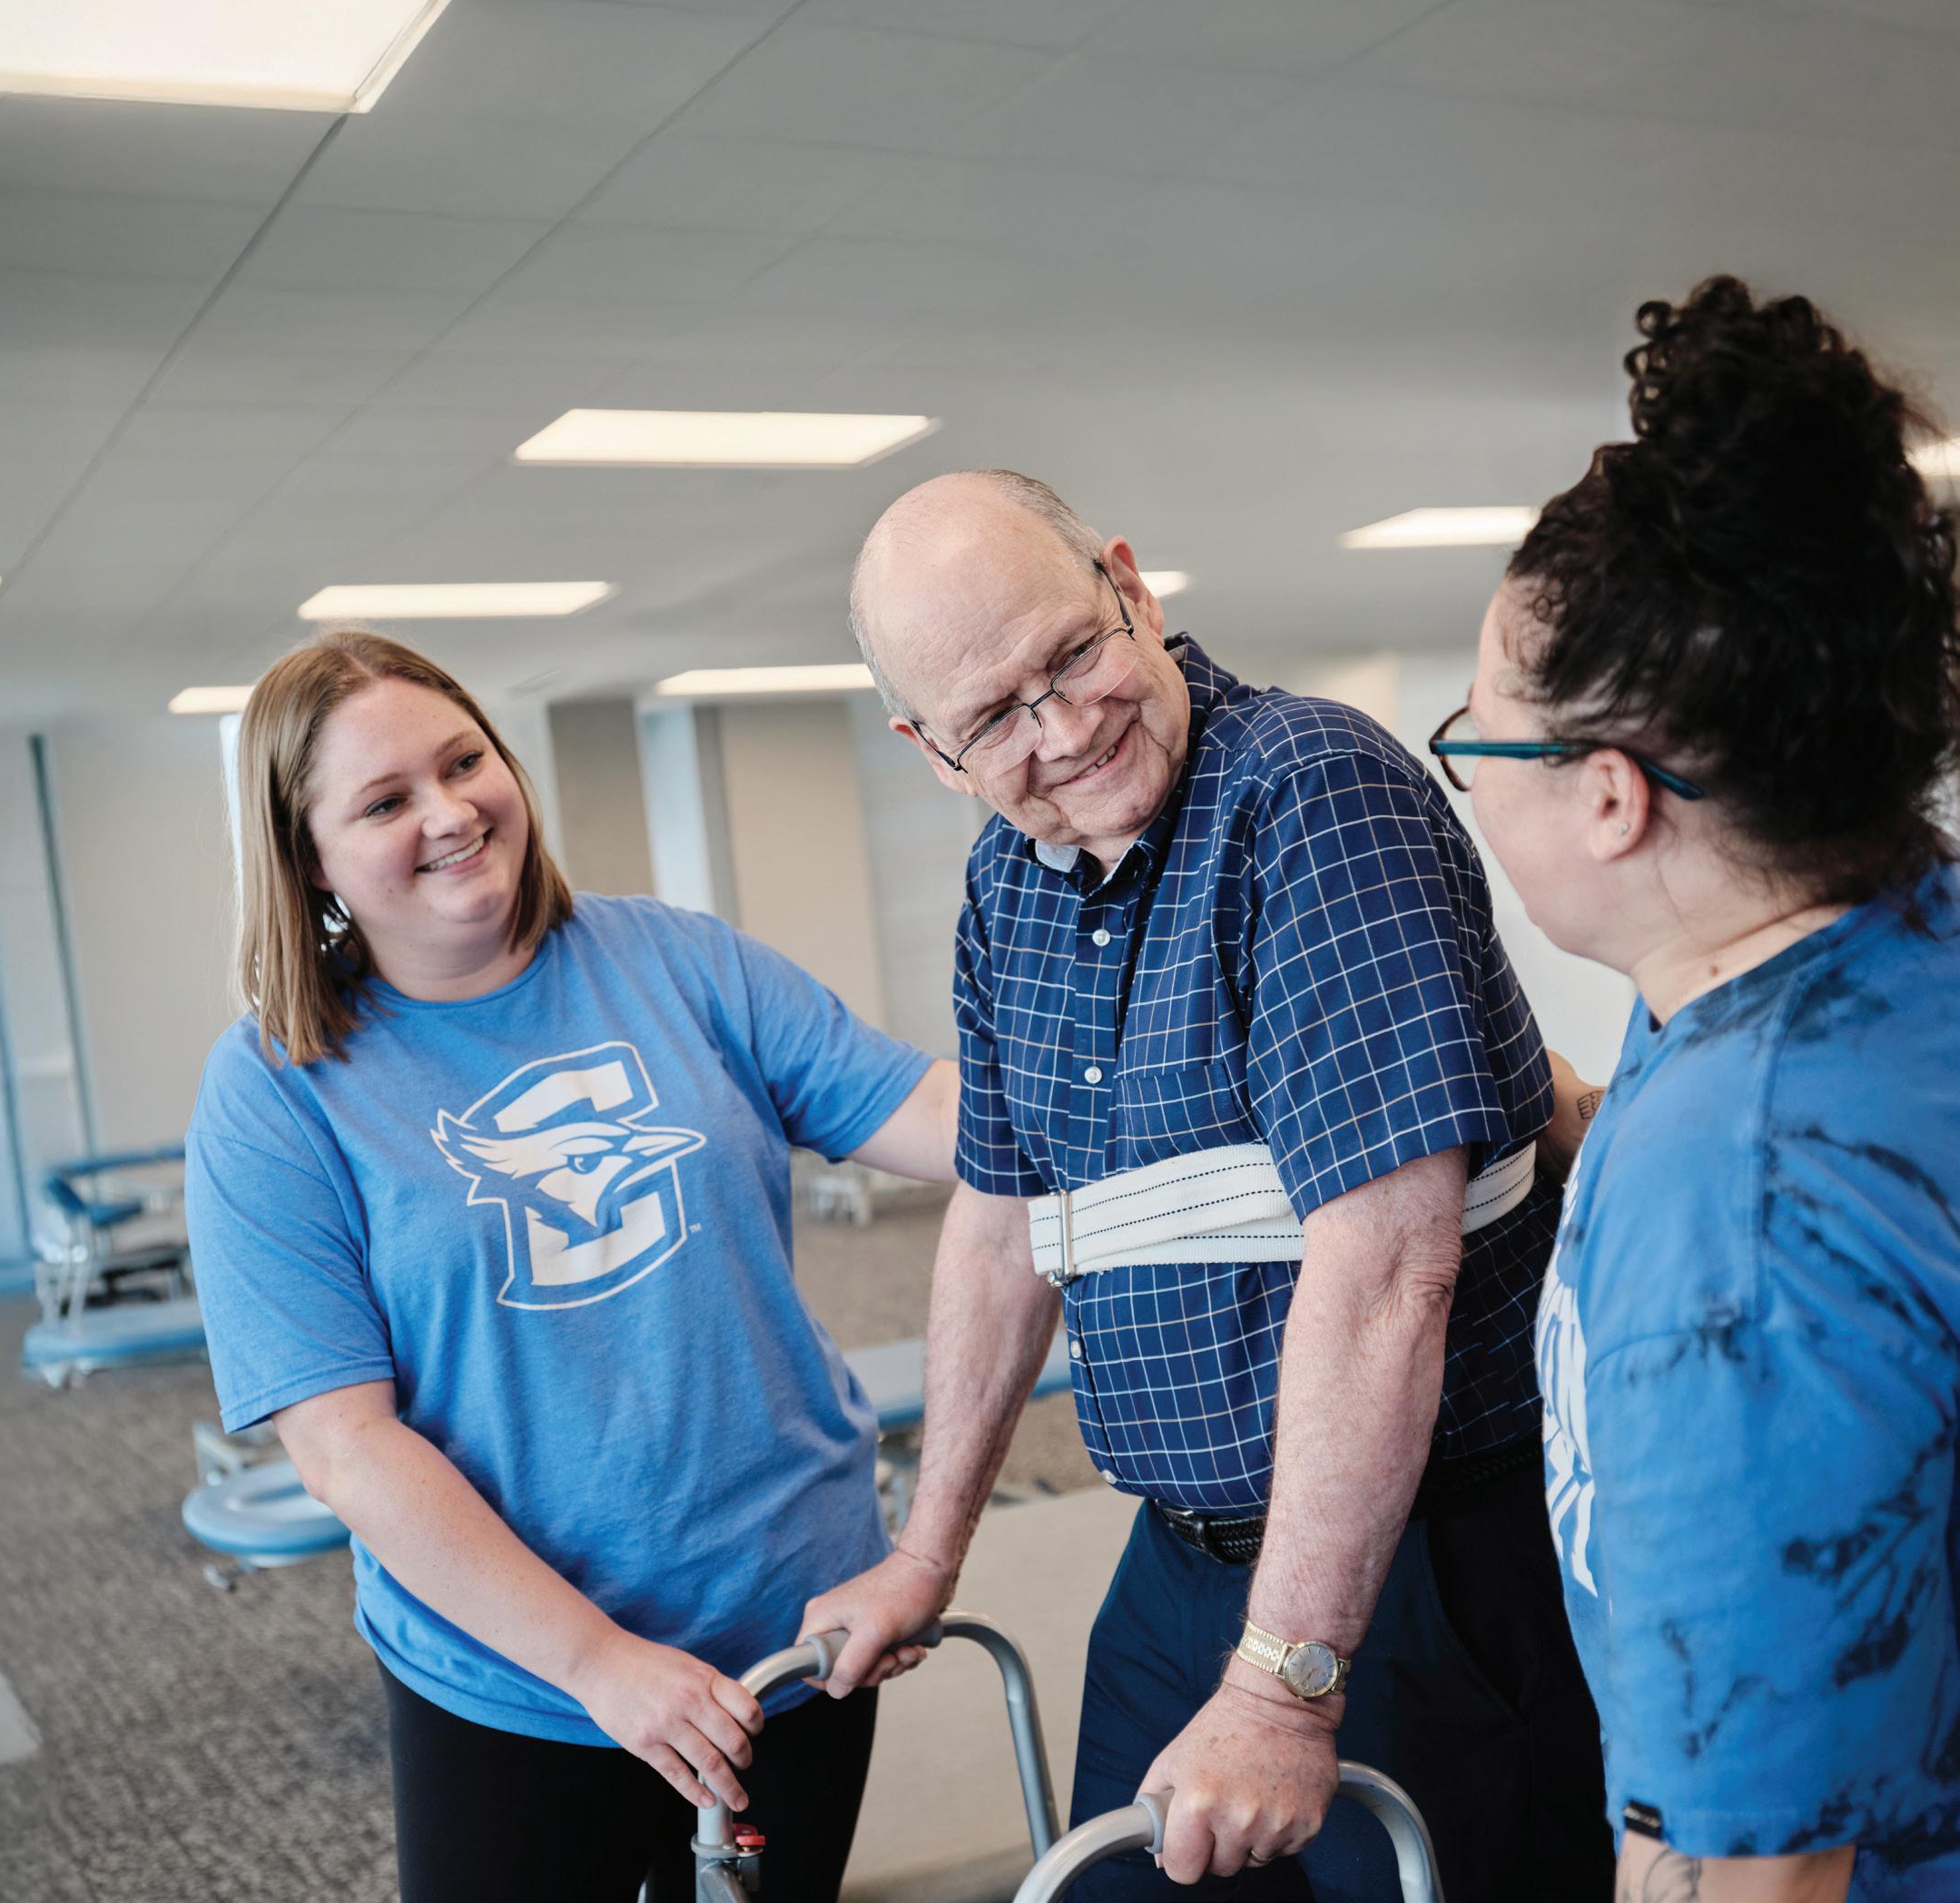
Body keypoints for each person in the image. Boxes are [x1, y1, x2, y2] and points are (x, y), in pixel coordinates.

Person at [807, 471, 1611, 1900]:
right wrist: (926, 1554)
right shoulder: (1008, 882)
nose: (1064, 729)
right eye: (995, 717)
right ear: (931, 751)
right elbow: (1001, 1228)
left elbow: (1388, 1266)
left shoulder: (1310, 792)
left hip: (1422, 1567)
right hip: (1178, 1567)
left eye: (1072, 654)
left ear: (1131, 586)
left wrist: (1286, 1683)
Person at [184, 630, 958, 1903]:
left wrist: (1146, 1073)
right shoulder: (276, 1089)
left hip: (791, 1631)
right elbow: (345, 1448)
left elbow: (932, 1112)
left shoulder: (680, 961)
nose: (449, 813)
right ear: (308, 857)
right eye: (384, 801)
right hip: (513, 1679)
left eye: (463, 762)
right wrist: (597, 1661)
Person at [1436, 277, 1960, 1901]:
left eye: (1476, 740)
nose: (1467, 782)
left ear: (1609, 799)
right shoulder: (1887, 929)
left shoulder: (1729, 1216)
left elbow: (1760, 1866)